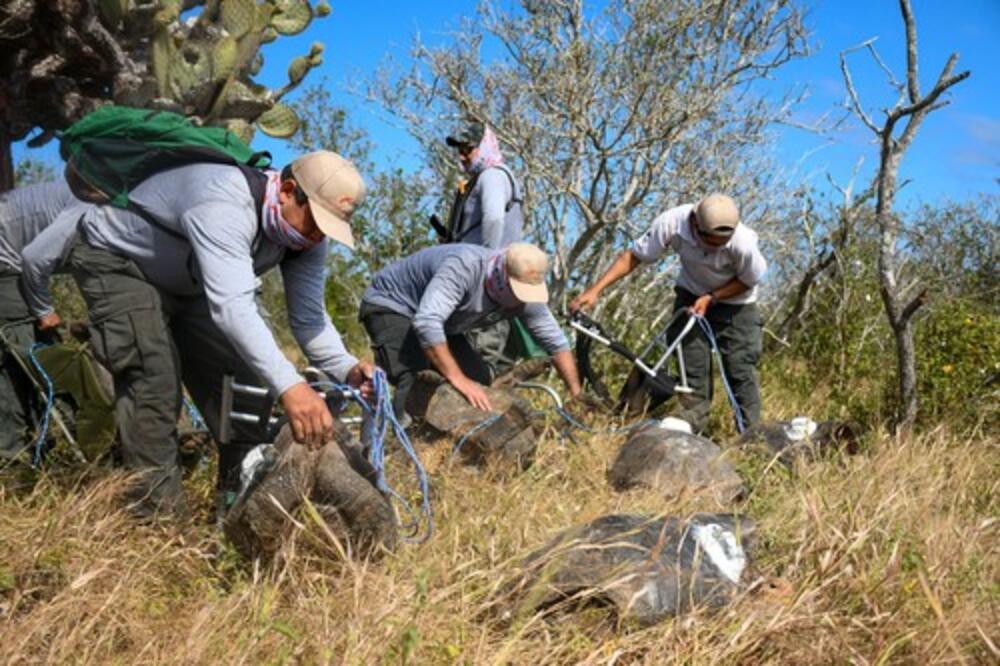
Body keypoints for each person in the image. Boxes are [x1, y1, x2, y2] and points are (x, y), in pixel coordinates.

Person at [62, 151, 374, 519]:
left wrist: (347, 368)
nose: (317, 236)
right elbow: (232, 308)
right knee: (154, 379)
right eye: (316, 222)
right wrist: (292, 386)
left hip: (191, 282)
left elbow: (308, 319)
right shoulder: (224, 200)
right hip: (121, 263)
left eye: (328, 228)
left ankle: (236, 513)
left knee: (243, 390)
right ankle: (159, 523)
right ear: (288, 191)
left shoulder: (307, 239)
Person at [570, 194, 767, 433]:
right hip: (691, 297)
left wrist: (712, 297)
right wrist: (595, 290)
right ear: (695, 224)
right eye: (711, 241)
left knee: (739, 369)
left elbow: (749, 280)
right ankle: (691, 428)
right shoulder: (672, 223)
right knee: (692, 368)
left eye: (722, 243)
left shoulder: (743, 242)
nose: (716, 247)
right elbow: (634, 256)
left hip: (737, 305)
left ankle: (751, 436)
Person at [359, 242, 582, 420]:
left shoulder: (526, 294)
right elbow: (427, 323)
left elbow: (557, 344)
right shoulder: (464, 267)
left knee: (478, 378)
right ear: (501, 274)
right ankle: (399, 444)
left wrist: (576, 394)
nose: (522, 301)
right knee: (414, 375)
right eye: (518, 292)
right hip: (393, 304)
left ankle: (446, 440)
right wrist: (458, 379)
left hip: (443, 323)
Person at [0, 181, 83, 459]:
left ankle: (43, 445)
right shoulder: (91, 206)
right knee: (20, 353)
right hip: (6, 261)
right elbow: (34, 258)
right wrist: (44, 310)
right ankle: (15, 455)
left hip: (17, 258)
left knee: (44, 353)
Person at [438, 122, 526, 377]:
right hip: (487, 279)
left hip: (487, 280)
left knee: (480, 356)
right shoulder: (481, 179)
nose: (462, 156)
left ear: (485, 146)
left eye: (468, 149)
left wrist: (484, 263)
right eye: (460, 150)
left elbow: (494, 218)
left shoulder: (492, 176)